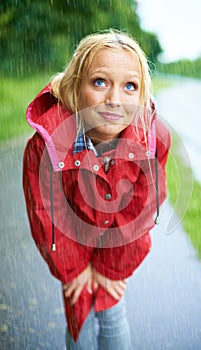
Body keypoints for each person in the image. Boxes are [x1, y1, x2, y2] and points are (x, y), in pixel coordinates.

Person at [23, 29, 171, 350]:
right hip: (69, 243)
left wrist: (110, 269)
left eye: (129, 86)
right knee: (81, 316)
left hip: (117, 245)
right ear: (77, 86)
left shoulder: (150, 141)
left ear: (141, 95)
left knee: (112, 309)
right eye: (100, 82)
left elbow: (143, 209)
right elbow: (45, 212)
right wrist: (74, 269)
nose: (115, 100)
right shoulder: (46, 145)